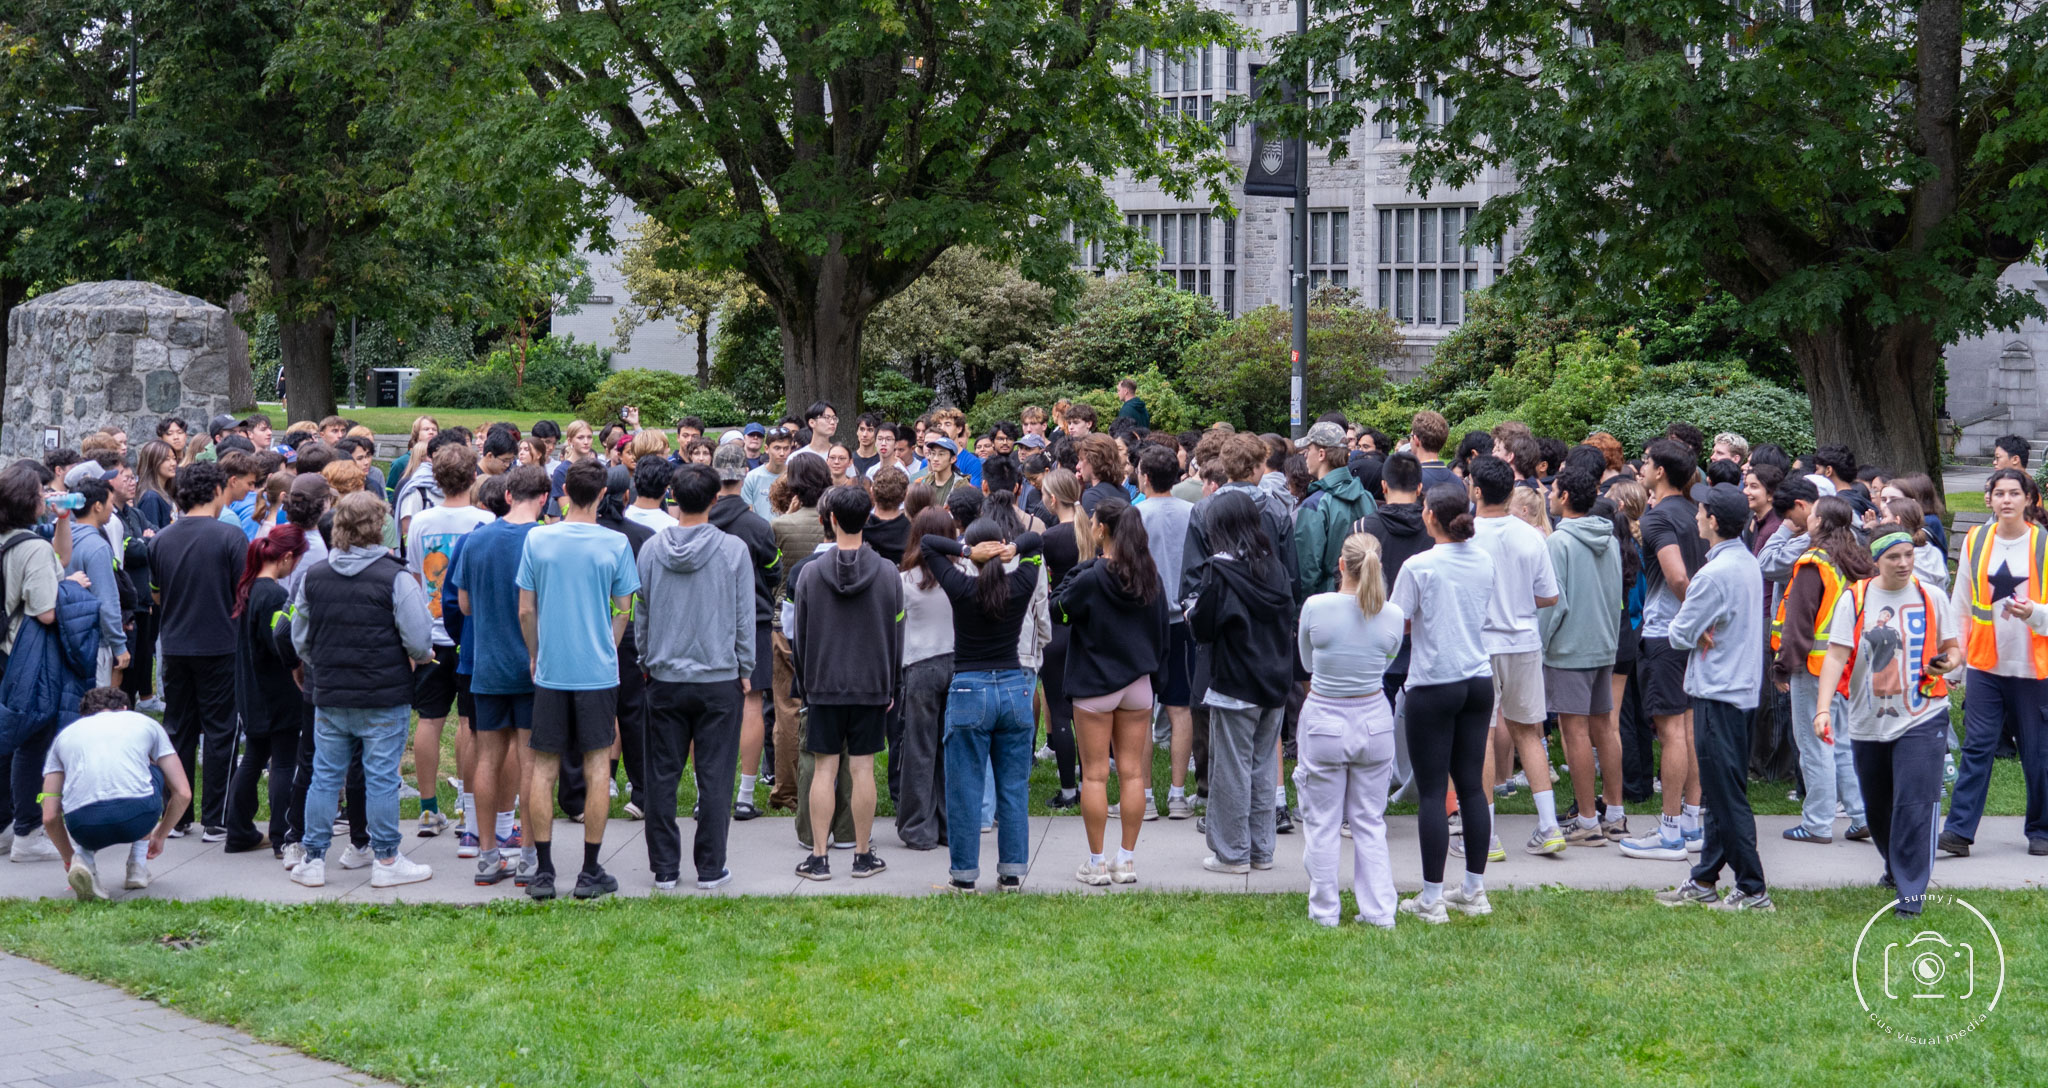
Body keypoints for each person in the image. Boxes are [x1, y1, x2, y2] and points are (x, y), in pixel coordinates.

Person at [287, 491, 437, 890]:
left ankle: (313, 857)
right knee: (382, 777)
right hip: (384, 694)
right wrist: (415, 657)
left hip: (332, 692)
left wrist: (322, 663)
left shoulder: (313, 577)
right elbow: (421, 641)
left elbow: (299, 638)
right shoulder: (396, 577)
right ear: (380, 527)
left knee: (324, 776)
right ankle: (386, 858)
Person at [1811, 520, 1961, 916]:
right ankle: (1895, 867)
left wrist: (1946, 664)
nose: (1903, 563)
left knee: (1915, 803)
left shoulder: (1931, 597)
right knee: (1878, 807)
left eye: (1909, 554)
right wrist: (1824, 708)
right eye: (1893, 556)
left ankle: (1911, 895)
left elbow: (1954, 649)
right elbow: (1836, 656)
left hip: (1923, 714)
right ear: (1876, 560)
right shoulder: (1856, 599)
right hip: (1867, 719)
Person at [516, 460, 641, 900]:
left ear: (564, 490)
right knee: (596, 766)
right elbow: (624, 608)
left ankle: (545, 871)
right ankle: (590, 870)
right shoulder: (616, 544)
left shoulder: (538, 538)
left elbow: (526, 610)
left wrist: (535, 653)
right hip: (597, 671)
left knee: (544, 768)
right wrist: (609, 642)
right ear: (605, 494)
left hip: (552, 668)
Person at [632, 463, 755, 891]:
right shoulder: (732, 550)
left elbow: (640, 613)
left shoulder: (650, 550)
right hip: (717, 676)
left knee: (662, 775)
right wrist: (745, 668)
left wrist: (646, 658)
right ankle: (710, 867)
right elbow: (744, 616)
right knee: (716, 775)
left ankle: (665, 868)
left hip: (665, 675)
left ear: (672, 498)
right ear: (715, 500)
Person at [1654, 483, 1771, 910]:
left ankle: (1753, 888)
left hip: (1717, 693)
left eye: (1701, 510)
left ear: (1714, 521)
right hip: (1739, 691)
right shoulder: (1746, 562)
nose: (1696, 516)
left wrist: (1693, 625)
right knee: (1724, 790)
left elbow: (1679, 632)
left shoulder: (1713, 574)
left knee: (1726, 796)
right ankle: (1704, 879)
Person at [919, 517, 1045, 892]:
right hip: (1013, 687)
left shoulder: (959, 586)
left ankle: (964, 876)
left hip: (969, 689)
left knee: (965, 789)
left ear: (971, 556)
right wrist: (1015, 549)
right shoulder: (1022, 583)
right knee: (1013, 788)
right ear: (1002, 546)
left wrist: (962, 550)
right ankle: (1011, 873)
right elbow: (1037, 542)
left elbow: (927, 544)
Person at [1390, 483, 1497, 923]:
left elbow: (1399, 621)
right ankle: (1473, 889)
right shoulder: (1483, 559)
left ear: (1431, 515)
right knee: (1471, 786)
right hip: (1478, 678)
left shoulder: (1419, 565)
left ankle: (1432, 898)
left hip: (1434, 681)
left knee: (1433, 792)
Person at [789, 486, 903, 881]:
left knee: (824, 770)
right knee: (863, 770)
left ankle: (819, 857)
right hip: (872, 683)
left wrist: (806, 684)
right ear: (868, 517)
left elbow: (799, 637)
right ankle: (862, 854)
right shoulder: (888, 573)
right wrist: (891, 683)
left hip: (823, 684)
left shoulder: (809, 575)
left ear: (831, 519)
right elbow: (896, 634)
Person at [1294, 534, 1405, 927]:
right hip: (1373, 719)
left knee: (1322, 822)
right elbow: (1388, 660)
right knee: (1369, 821)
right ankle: (1378, 911)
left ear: (1341, 565)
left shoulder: (1317, 607)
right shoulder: (1392, 615)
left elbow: (1307, 663)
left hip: (1325, 717)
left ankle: (1324, 911)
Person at [1057, 496, 1168, 885]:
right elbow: (1162, 632)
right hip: (1138, 683)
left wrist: (1086, 565)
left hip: (1094, 684)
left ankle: (1097, 862)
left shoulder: (1090, 577)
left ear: (1101, 529)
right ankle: (1127, 860)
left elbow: (1060, 609)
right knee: (1133, 773)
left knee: (1095, 775)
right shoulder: (1149, 575)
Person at [448, 464, 549, 886]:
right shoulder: (544, 540)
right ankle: (527, 854)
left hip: (486, 663)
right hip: (532, 665)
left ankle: (488, 853)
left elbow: (464, 605)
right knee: (530, 761)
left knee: (487, 759)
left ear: (508, 494)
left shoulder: (475, 539)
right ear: (544, 499)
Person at [1942, 467, 2048, 858]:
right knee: (1976, 747)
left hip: (2034, 668)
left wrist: (2035, 613)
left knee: (2039, 755)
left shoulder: (2044, 544)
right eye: (1998, 493)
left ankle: (2042, 830)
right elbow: (1962, 602)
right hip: (1987, 666)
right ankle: (1958, 831)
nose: (2006, 500)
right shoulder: (1977, 539)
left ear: (2028, 499)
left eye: (2013, 493)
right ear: (1989, 499)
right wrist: (1956, 662)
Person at [1188, 490, 1294, 876]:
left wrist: (1191, 611)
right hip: (1274, 681)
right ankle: (1261, 851)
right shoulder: (1275, 568)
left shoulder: (1219, 571)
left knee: (1231, 769)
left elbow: (1205, 626)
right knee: (1264, 767)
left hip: (1235, 682)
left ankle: (1232, 853)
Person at [150, 463, 248, 842]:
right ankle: (217, 817)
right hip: (221, 644)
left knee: (178, 729)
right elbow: (245, 590)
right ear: (218, 491)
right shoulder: (230, 538)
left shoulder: (161, 539)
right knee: (222, 730)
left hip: (174, 646)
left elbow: (156, 593)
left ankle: (177, 813)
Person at [1619, 439, 1706, 860]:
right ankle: (1692, 820)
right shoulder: (1696, 512)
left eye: (1648, 462)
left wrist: (1696, 621)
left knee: (1672, 732)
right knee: (1688, 729)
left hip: (1667, 635)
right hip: (1689, 635)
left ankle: (1670, 831)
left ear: (1660, 473)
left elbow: (1677, 578)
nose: (1642, 468)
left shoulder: (1658, 520)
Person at [1772, 495, 1874, 845]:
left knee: (1815, 745)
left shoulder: (1814, 562)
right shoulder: (1855, 559)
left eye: (1812, 514)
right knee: (1842, 742)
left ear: (1820, 523)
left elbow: (1798, 624)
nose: (1807, 518)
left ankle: (1816, 823)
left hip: (1813, 668)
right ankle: (1861, 816)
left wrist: (1783, 666)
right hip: (1848, 667)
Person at [403, 446, 494, 838]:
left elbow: (414, 577)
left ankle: (427, 808)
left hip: (432, 630)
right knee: (471, 726)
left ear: (435, 479)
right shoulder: (486, 520)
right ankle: (467, 808)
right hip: (471, 633)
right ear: (474, 475)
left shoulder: (421, 521)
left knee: (429, 719)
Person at [37, 688, 193, 900]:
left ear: (84, 715)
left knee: (81, 793)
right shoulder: (144, 723)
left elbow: (50, 816)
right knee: (151, 769)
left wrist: (68, 858)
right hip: (140, 816)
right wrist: (160, 835)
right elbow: (182, 793)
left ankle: (83, 860)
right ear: (124, 709)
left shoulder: (64, 736)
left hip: (83, 825)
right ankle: (138, 864)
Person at [1541, 466, 1624, 848]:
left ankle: (1588, 819)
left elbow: (1553, 605)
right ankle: (1615, 815)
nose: (1548, 495)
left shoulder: (1559, 543)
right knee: (1605, 728)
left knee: (1574, 732)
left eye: (1553, 490)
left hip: (1570, 648)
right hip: (1604, 643)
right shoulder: (1609, 538)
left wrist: (1539, 645)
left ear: (1566, 498)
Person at [706, 443, 780, 822]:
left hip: (709, 622)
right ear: (742, 475)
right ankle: (745, 796)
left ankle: (707, 794)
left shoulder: (701, 521)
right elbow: (774, 571)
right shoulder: (757, 525)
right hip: (754, 620)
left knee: (710, 708)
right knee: (753, 705)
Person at [225, 525, 308, 856]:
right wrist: (297, 666)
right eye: (297, 560)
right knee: (284, 761)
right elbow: (281, 639)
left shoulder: (248, 588)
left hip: (251, 688)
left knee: (254, 757)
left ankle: (239, 829)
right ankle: (282, 835)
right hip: (277, 689)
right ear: (287, 558)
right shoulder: (273, 595)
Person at [1134, 446, 1198, 818]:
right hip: (1183, 619)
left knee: (1141, 709)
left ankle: (1143, 797)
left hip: (1145, 619)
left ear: (1144, 476)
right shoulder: (1193, 512)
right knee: (1180, 707)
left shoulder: (1136, 514)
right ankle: (1176, 795)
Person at [894, 508, 962, 850]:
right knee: (952, 750)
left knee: (918, 748)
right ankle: (951, 825)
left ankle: (918, 827)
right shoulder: (963, 572)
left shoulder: (905, 580)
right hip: (959, 664)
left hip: (920, 666)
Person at [1295, 421, 1377, 597]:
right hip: (1366, 599)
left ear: (1322, 454)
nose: (1305, 456)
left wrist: (1298, 616)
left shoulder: (1315, 505)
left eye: (1308, 450)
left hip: (1325, 604)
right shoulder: (1366, 497)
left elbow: (1307, 572)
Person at [743, 428, 795, 520]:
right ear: (766, 449)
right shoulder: (752, 477)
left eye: (786, 448)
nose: (782, 453)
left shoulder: (795, 476)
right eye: (777, 448)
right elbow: (748, 513)